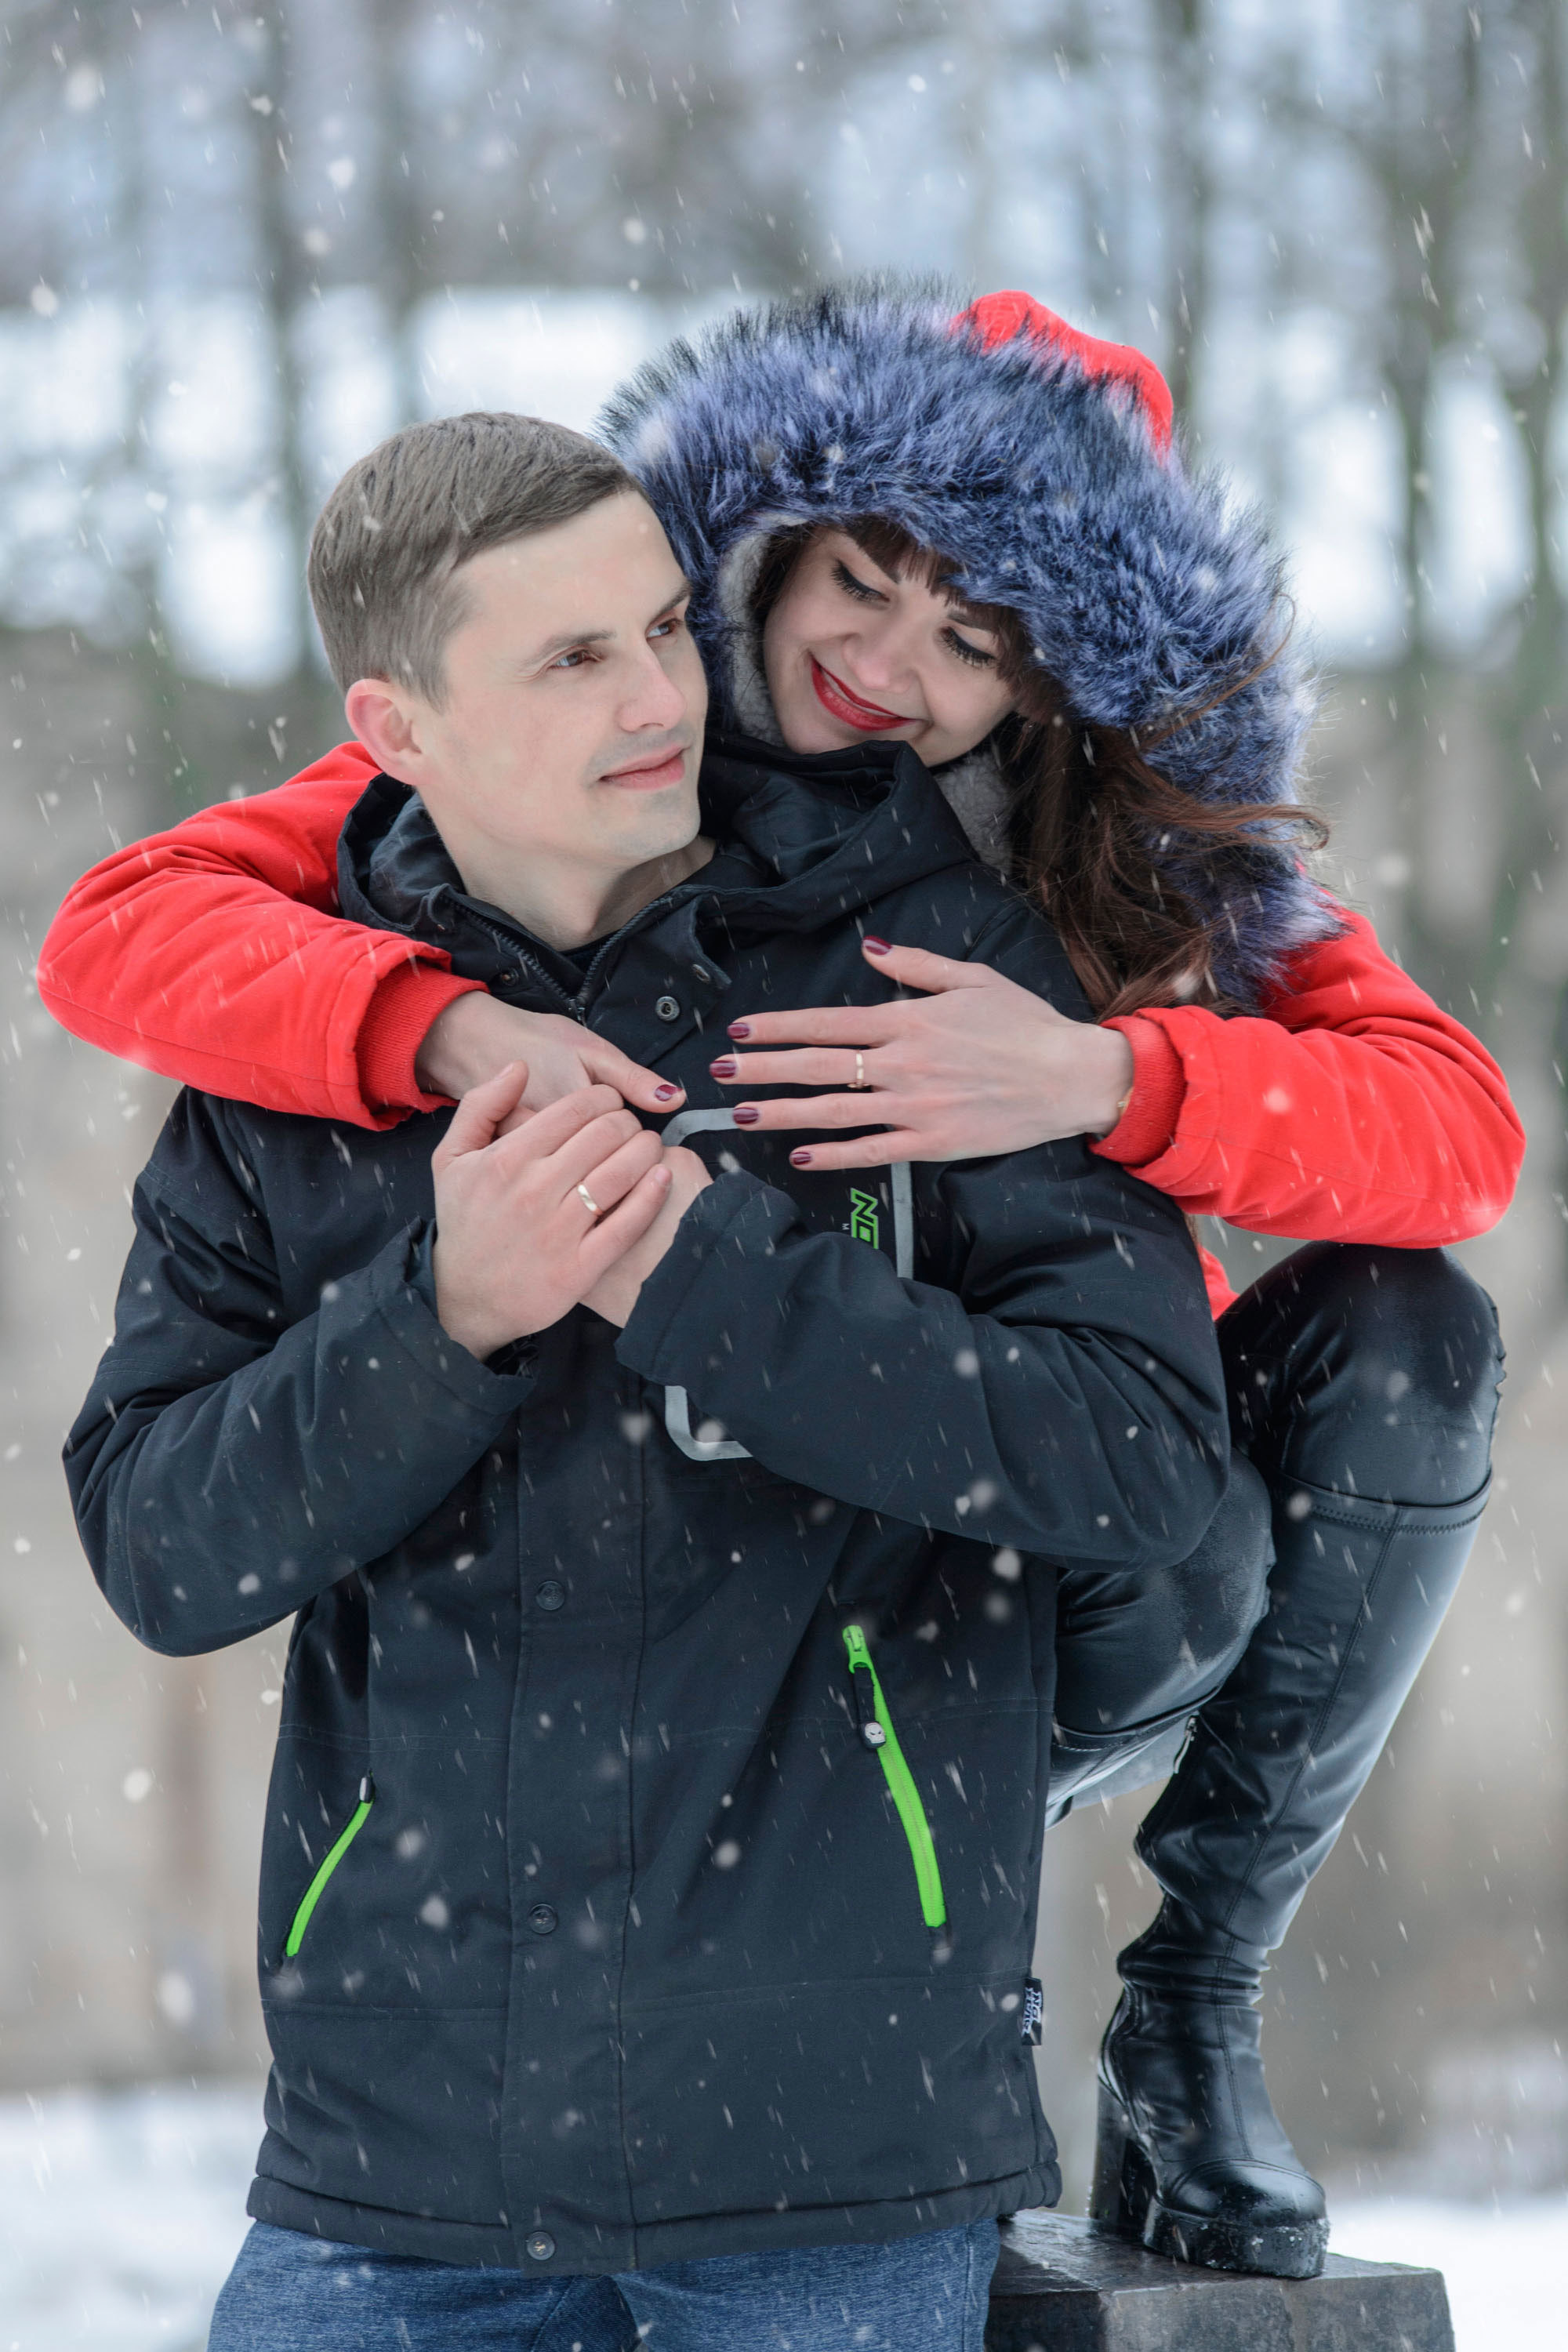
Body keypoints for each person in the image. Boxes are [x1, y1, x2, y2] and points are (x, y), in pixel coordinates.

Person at [41, 285, 1515, 2279]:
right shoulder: (603, 737)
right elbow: (131, 926)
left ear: (1060, 681)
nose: (886, 663)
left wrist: (1101, 1072)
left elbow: (1456, 1131)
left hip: (1049, 1571)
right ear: (777, 539)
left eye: (973, 639)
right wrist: (438, 1030)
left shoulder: (1140, 870)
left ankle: (1195, 1986)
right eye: (866, 578)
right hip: (714, 1667)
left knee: (1411, 1331)